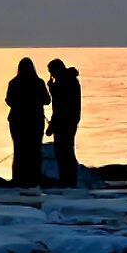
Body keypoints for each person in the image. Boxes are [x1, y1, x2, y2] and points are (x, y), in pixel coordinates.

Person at [6, 58, 49, 187]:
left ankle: (18, 178)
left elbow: (9, 101)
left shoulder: (13, 83)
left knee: (19, 150)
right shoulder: (39, 82)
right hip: (35, 121)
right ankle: (34, 178)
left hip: (17, 122)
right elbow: (47, 100)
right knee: (35, 151)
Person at [46, 59, 83, 188]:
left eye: (51, 72)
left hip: (64, 122)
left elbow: (60, 106)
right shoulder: (70, 80)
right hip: (70, 120)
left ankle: (67, 181)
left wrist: (52, 126)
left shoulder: (64, 82)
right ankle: (69, 180)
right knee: (66, 151)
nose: (51, 75)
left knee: (63, 152)